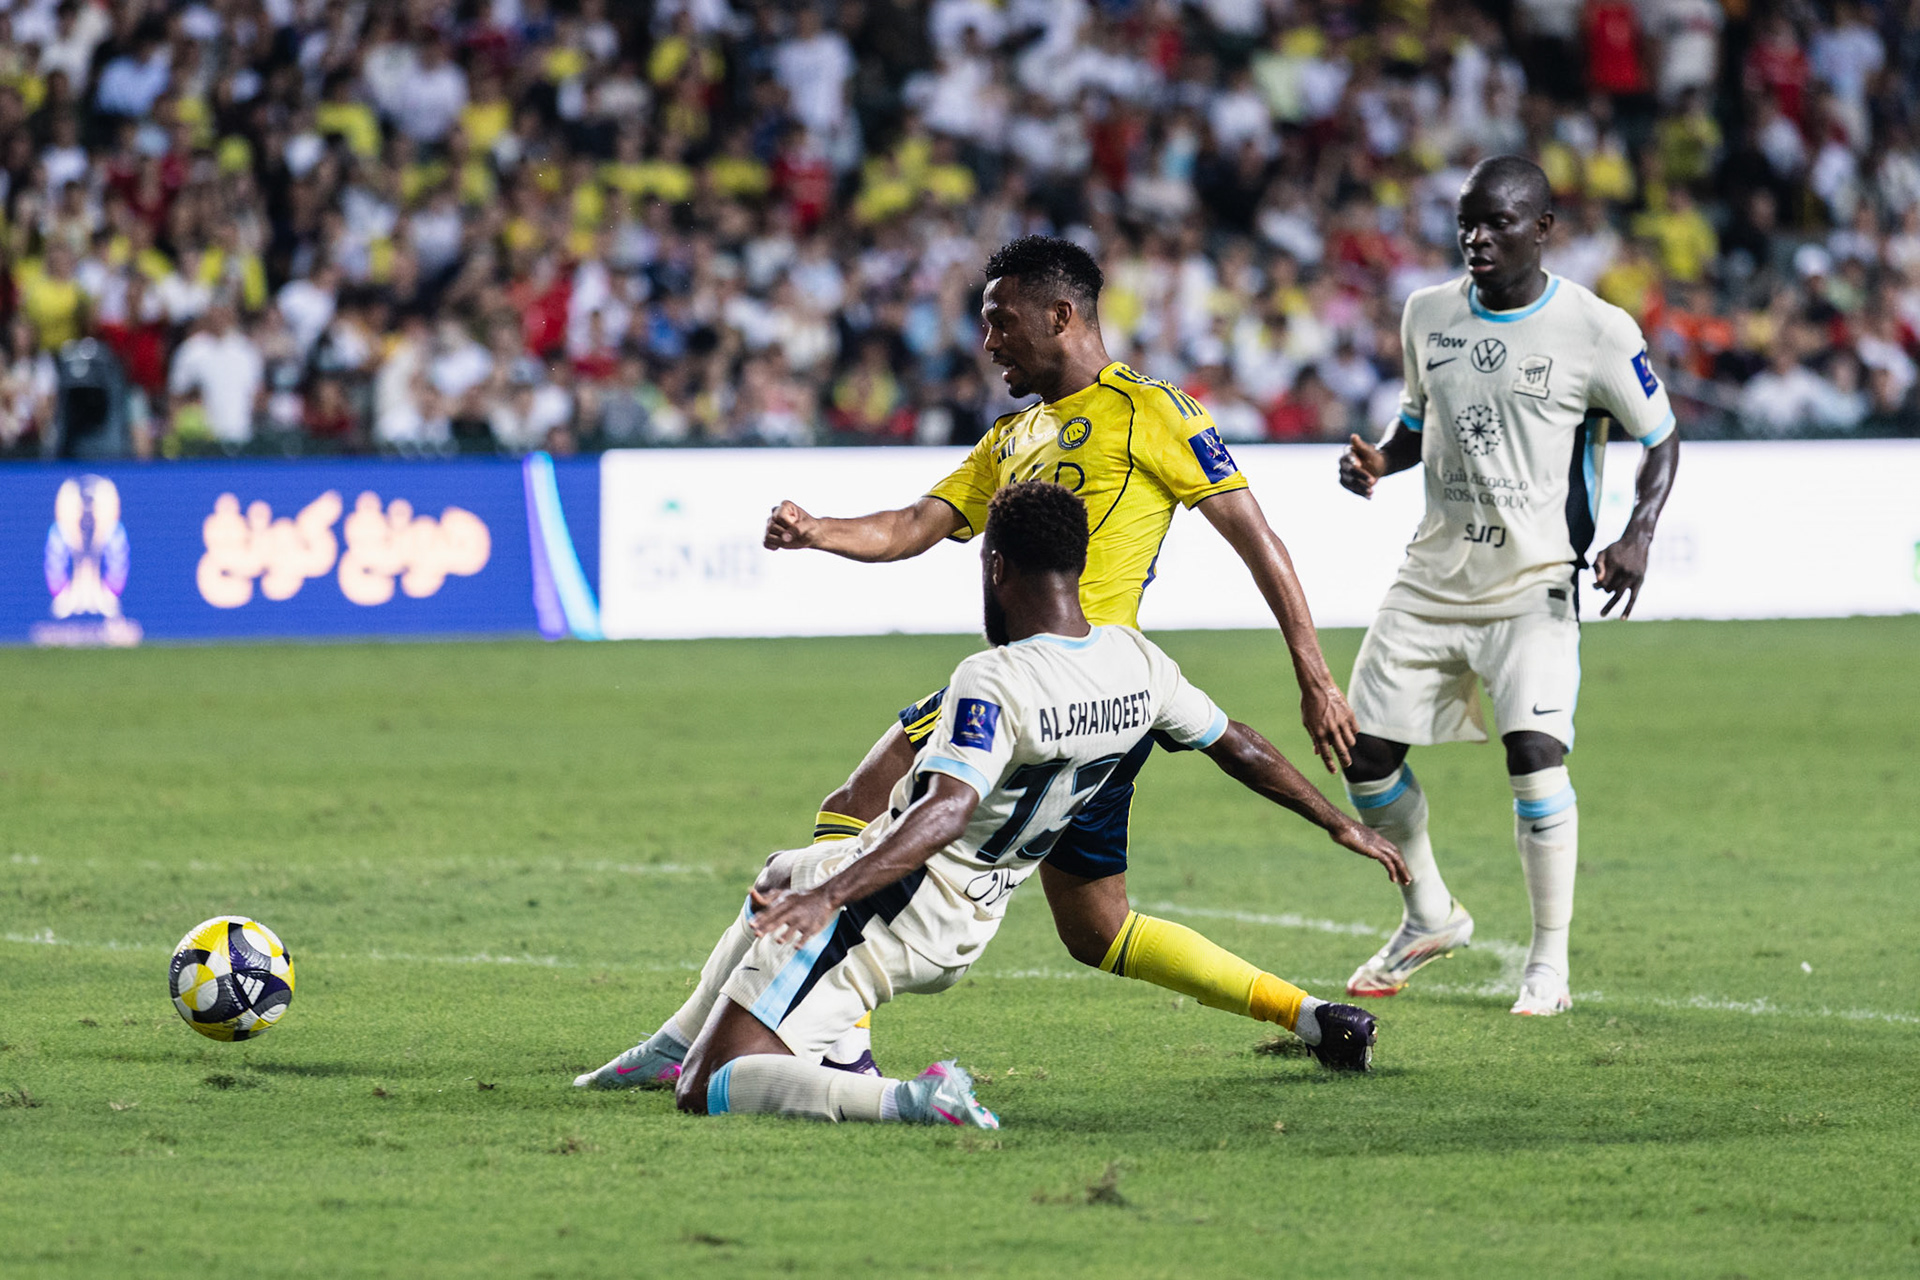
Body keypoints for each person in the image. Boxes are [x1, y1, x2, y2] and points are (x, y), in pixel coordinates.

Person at [576, 482, 1408, 1123]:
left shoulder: (994, 678)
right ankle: (667, 1042)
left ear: (997, 568)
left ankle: (908, 1099)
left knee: (708, 1088)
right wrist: (1337, 820)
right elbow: (1240, 744)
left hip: (892, 905)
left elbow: (941, 809)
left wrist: (832, 895)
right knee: (781, 871)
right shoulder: (1137, 662)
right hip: (974, 915)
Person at [769, 234, 1358, 1076]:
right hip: (1107, 709)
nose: (989, 341)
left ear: (1061, 314)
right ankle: (1313, 1018)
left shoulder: (1155, 411)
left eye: (1000, 320)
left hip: (1061, 679)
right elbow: (912, 526)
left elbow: (1258, 540)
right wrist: (816, 531)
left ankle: (841, 1044)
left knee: (859, 803)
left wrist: (1317, 677)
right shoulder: (1016, 432)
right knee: (1098, 929)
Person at [1335, 156, 1681, 1016]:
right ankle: (1429, 914)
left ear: (1543, 230)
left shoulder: (1597, 330)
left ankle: (1548, 966)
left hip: (1536, 585)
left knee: (1534, 754)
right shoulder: (1428, 313)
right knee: (1362, 755)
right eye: (1465, 221)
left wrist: (1637, 534)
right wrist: (1382, 457)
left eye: (1496, 223)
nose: (1475, 237)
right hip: (1432, 578)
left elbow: (1663, 438)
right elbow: (1419, 419)